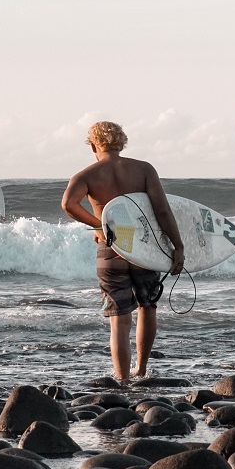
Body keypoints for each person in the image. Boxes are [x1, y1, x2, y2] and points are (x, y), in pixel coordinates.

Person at [61, 121, 185, 385]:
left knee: (119, 318)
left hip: (111, 248)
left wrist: (98, 225)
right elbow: (163, 210)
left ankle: (122, 379)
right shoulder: (143, 169)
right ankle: (141, 369)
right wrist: (178, 246)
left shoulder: (87, 175)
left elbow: (68, 204)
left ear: (93, 145)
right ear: (121, 142)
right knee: (147, 307)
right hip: (143, 247)